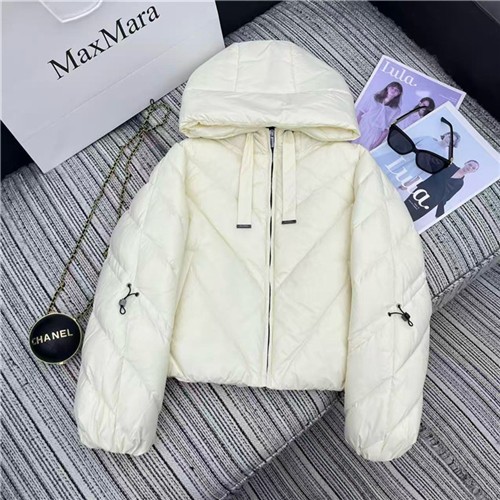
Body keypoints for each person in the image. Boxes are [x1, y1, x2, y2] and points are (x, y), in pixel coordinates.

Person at [373, 130, 461, 191]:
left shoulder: (443, 157)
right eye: (450, 137)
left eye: (452, 141)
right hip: (401, 159)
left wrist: (411, 184)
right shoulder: (428, 138)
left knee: (385, 186)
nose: (449, 140)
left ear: (453, 145)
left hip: (410, 170)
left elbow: (428, 172)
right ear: (446, 135)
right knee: (376, 171)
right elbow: (408, 143)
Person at [404, 160, 480, 221]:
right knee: (406, 205)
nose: (470, 168)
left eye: (473, 168)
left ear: (473, 172)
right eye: (470, 165)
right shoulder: (450, 166)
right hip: (424, 190)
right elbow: (431, 172)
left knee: (412, 217)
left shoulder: (460, 183)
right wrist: (411, 183)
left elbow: (448, 197)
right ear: (466, 163)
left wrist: (440, 210)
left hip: (432, 201)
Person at [353, 82, 403, 150]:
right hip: (363, 126)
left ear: (399, 94)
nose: (393, 91)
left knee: (363, 151)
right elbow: (360, 113)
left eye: (396, 90)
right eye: (392, 88)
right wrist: (354, 128)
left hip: (375, 134)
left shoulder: (396, 110)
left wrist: (376, 144)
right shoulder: (374, 98)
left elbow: (387, 129)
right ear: (388, 87)